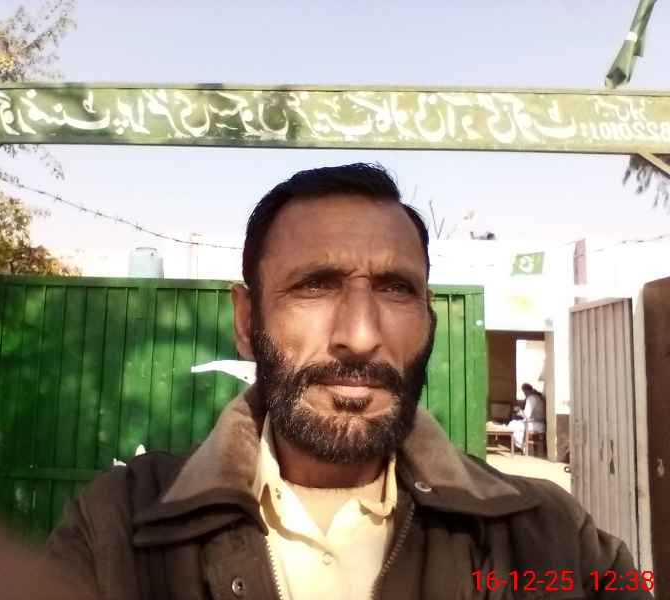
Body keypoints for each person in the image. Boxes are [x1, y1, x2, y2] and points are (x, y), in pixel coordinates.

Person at [47, 163, 647, 599]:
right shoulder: (119, 533)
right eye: (315, 286)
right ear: (246, 322)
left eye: (395, 289)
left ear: (429, 320)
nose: (360, 336)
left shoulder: (548, 537)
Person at [507, 383, 547, 451]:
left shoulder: (531, 398)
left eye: (524, 392)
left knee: (512, 425)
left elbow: (526, 415)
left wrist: (519, 410)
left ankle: (521, 446)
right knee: (516, 426)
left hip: (535, 425)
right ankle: (521, 445)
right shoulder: (538, 397)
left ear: (525, 391)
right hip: (540, 424)